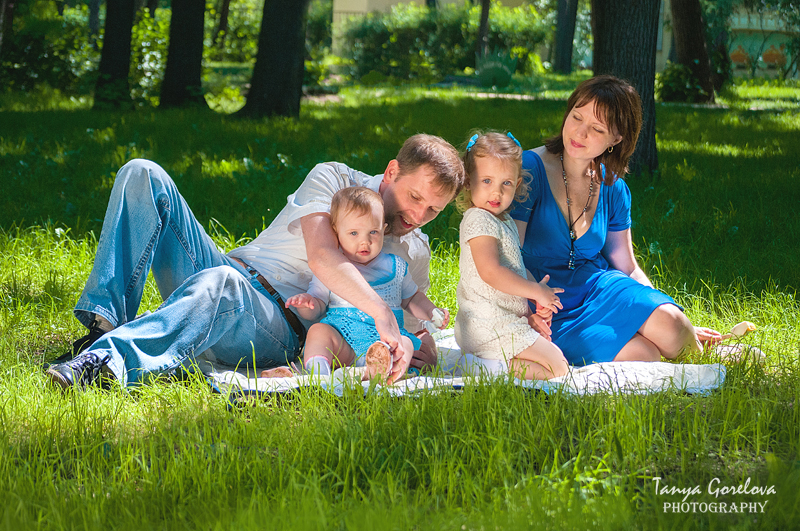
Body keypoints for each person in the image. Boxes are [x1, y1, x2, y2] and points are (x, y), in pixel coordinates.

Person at [46, 134, 465, 389]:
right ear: (392, 172)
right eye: (414, 197)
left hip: (277, 323)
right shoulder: (336, 178)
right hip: (227, 268)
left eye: (433, 210)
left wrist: (420, 345)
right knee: (143, 174)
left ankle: (107, 361)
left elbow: (406, 328)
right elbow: (322, 255)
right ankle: (103, 326)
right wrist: (379, 311)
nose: (418, 215)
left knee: (222, 284)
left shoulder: (413, 251)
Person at [510, 75, 722, 365]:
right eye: (576, 117)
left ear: (617, 139)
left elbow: (627, 265)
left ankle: (706, 354)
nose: (579, 133)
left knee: (672, 326)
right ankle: (690, 351)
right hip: (543, 306)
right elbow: (509, 257)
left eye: (597, 128)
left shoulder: (613, 186)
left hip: (599, 288)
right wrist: (530, 311)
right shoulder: (528, 170)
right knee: (645, 355)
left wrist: (655, 309)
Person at [264, 187, 450, 384]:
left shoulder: (395, 266)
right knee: (318, 331)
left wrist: (432, 312)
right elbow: (317, 306)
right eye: (353, 233)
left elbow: (412, 299)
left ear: (384, 229)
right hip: (343, 340)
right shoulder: (334, 269)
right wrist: (307, 304)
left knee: (405, 343)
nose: (365, 241)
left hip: (385, 342)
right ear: (336, 232)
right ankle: (318, 375)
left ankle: (380, 370)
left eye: (373, 232)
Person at [454, 132, 569, 380]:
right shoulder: (478, 219)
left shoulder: (503, 220)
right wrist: (535, 291)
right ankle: (478, 368)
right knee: (557, 367)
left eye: (505, 183)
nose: (496, 192)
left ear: (516, 185)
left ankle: (487, 365)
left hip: (501, 319)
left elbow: (514, 268)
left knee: (554, 364)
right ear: (468, 182)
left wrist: (533, 306)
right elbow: (491, 272)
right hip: (484, 323)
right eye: (486, 181)